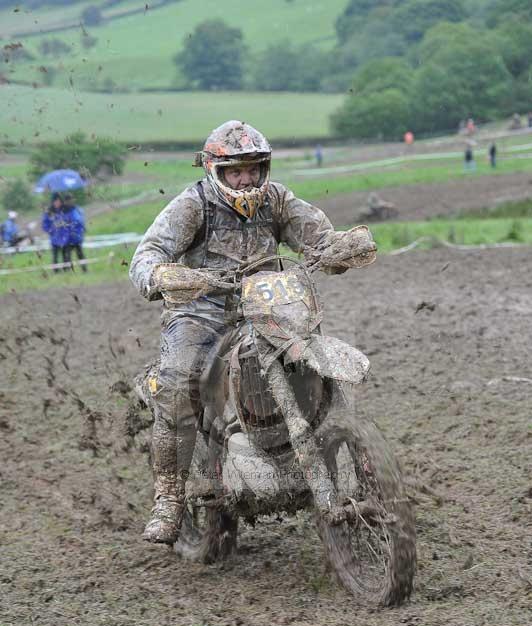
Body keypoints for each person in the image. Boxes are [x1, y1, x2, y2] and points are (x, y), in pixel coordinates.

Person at [130, 119, 375, 545]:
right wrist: (163, 275)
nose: (245, 179)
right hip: (201, 311)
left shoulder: (277, 200)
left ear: (264, 168)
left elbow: (317, 236)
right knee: (177, 382)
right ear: (215, 171)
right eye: (235, 171)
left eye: (252, 169)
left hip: (268, 306)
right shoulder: (193, 205)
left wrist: (339, 248)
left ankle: (345, 449)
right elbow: (146, 255)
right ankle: (169, 495)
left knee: (313, 358)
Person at [41, 193, 70, 271]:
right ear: (52, 202)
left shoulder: (65, 210)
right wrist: (50, 230)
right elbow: (44, 224)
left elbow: (70, 221)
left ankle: (66, 270)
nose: (57, 203)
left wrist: (66, 225)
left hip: (65, 236)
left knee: (66, 255)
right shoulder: (49, 212)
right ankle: (56, 271)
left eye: (58, 201)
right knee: (55, 256)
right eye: (55, 201)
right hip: (55, 237)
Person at [63, 193, 87, 272]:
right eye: (69, 200)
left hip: (76, 236)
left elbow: (80, 221)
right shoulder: (63, 211)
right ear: (66, 201)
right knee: (67, 255)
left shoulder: (76, 209)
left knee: (80, 254)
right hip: (68, 237)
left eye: (72, 199)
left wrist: (82, 229)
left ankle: (84, 269)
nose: (71, 201)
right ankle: (67, 270)